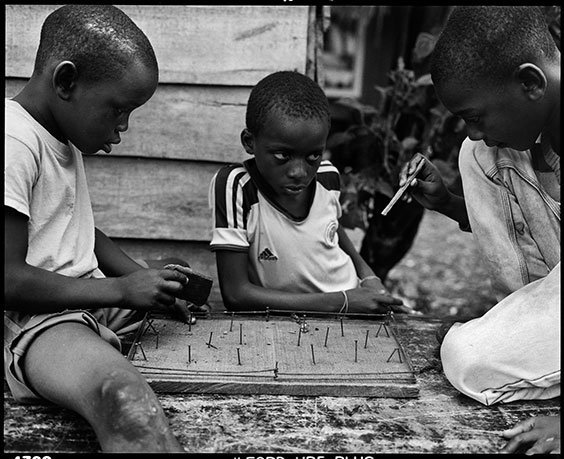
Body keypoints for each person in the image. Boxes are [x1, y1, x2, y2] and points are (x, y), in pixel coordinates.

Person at [4, 5, 196, 452]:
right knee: (127, 403)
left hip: (83, 298)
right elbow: (8, 279)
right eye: (118, 110)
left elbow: (78, 231)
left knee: (177, 275)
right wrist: (122, 291)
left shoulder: (56, 135)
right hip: (38, 321)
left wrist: (145, 282)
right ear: (66, 82)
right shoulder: (14, 142)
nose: (123, 128)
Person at [399, 6, 560, 454]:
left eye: (476, 116)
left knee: (467, 358)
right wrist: (447, 205)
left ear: (531, 82)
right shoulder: (521, 140)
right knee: (477, 156)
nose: (475, 131)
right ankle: (526, 333)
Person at [209, 71, 409, 314]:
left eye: (313, 155)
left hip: (354, 307)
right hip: (325, 312)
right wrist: (343, 302)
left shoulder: (326, 175)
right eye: (283, 155)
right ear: (249, 142)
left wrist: (367, 276)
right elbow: (235, 294)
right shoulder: (238, 187)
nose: (299, 172)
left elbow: (331, 226)